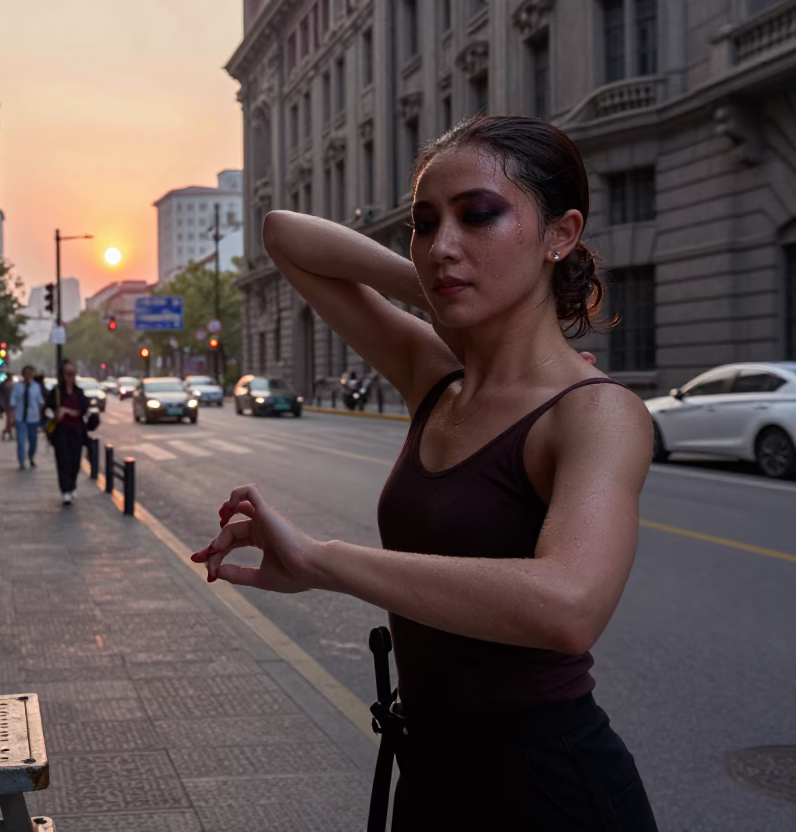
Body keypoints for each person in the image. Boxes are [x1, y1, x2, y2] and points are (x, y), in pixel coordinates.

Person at [192, 116, 657, 831]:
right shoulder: (435, 378)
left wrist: (326, 562)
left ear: (559, 236)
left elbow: (569, 606)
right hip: (429, 778)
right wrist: (441, 283)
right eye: (425, 223)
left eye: (479, 216)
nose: (443, 244)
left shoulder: (596, 413)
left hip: (547, 792)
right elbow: (285, 234)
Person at [45, 359, 90, 506]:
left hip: (76, 431)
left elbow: (82, 410)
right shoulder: (56, 392)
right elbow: (46, 410)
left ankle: (72, 485)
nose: (70, 376)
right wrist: (55, 415)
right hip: (61, 431)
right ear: (62, 375)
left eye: (73, 373)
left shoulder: (79, 392)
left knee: (75, 461)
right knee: (63, 460)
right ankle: (65, 490)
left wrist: (67, 411)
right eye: (68, 373)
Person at [9, 365, 44, 470]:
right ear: (23, 374)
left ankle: (31, 457)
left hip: (33, 418)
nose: (29, 375)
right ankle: (22, 461)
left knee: (33, 441)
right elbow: (12, 402)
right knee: (21, 441)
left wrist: (41, 416)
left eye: (31, 373)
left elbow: (40, 402)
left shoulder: (36, 387)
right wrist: (11, 417)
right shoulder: (17, 386)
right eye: (27, 373)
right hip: (21, 417)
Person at [0, 374, 15, 441]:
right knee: (10, 420)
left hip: (10, 404)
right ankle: (7, 433)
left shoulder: (10, 384)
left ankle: (7, 433)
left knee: (9, 420)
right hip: (8, 404)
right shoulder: (6, 384)